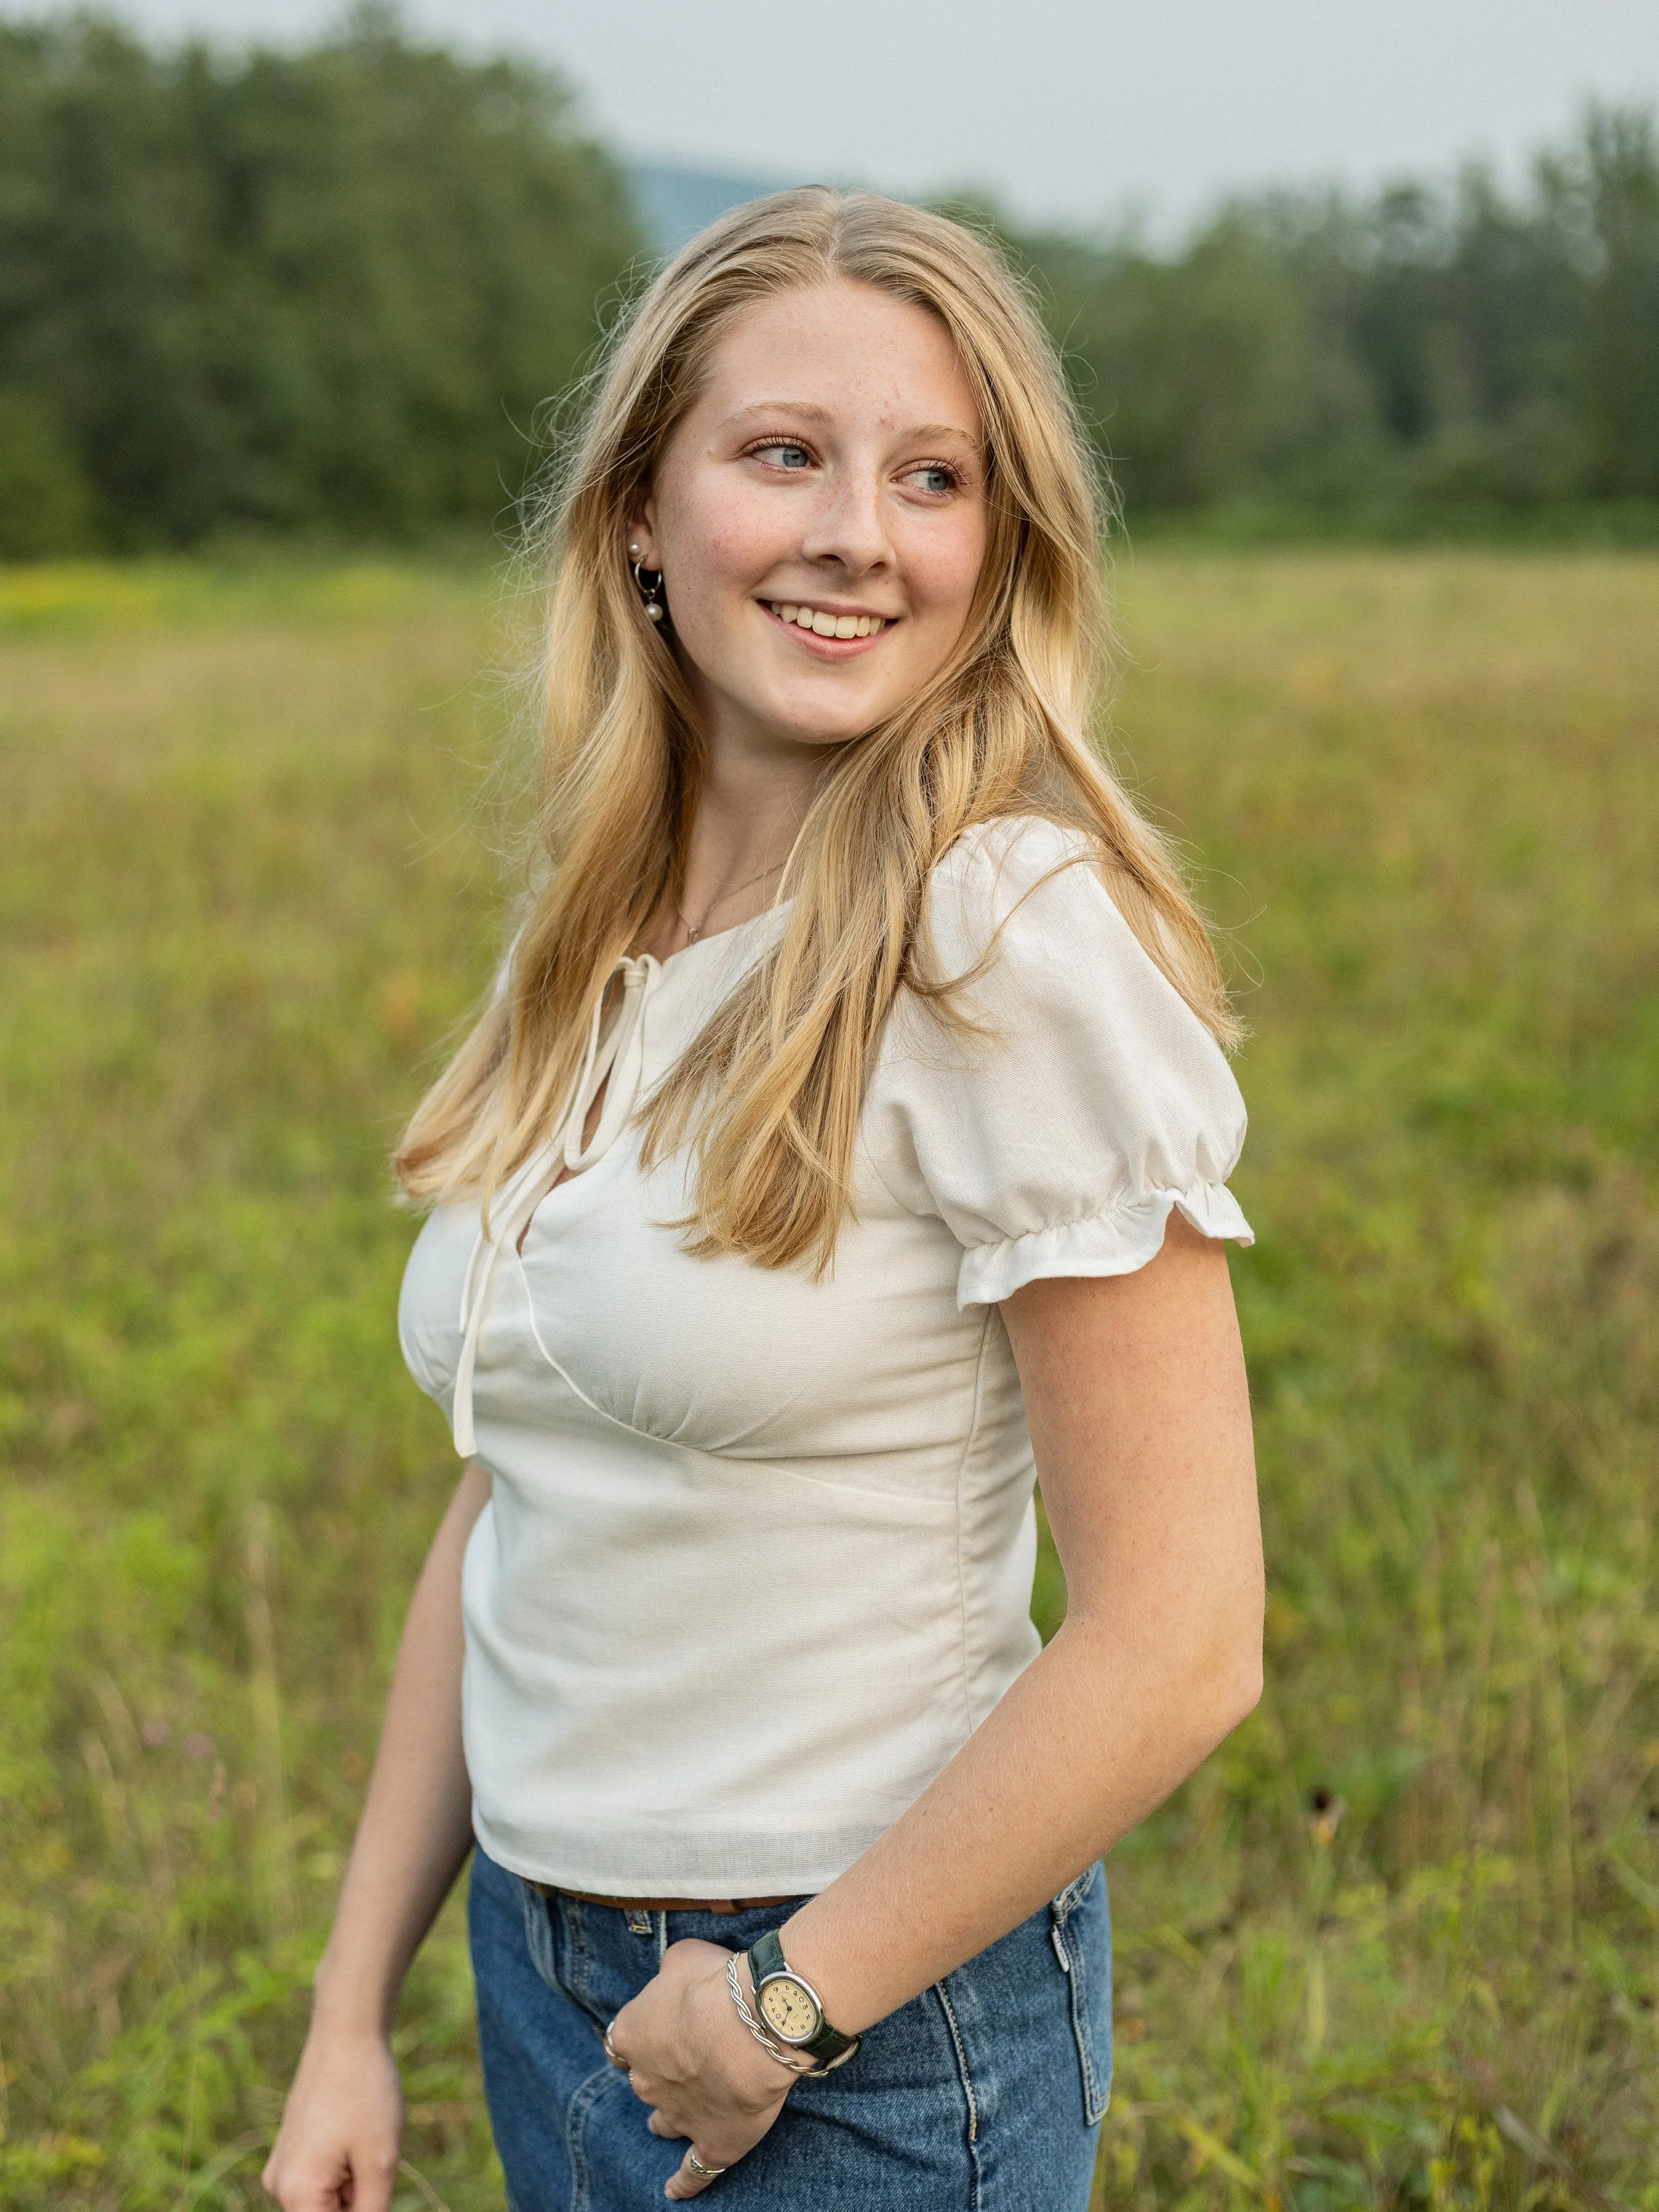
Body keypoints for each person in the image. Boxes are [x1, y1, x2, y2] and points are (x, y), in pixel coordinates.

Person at [263, 187, 1263, 2212]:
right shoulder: (599, 931)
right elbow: (515, 1490)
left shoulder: (999, 942)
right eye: (782, 453)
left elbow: (1181, 1634)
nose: (854, 535)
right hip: (547, 1982)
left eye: (932, 477)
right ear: (639, 507)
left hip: (860, 2025)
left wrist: (788, 2004)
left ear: (994, 549)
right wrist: (347, 2006)